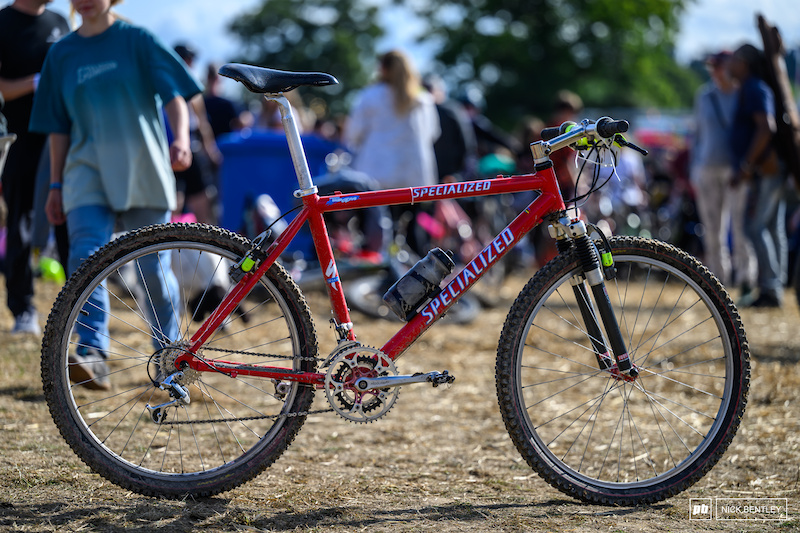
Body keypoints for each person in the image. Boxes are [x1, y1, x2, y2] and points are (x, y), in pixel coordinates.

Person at [29, 0, 202, 389]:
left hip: (142, 165)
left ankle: (170, 358)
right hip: (85, 169)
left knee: (151, 268)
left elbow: (176, 95)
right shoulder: (62, 53)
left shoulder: (137, 40)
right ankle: (93, 355)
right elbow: (57, 126)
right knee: (84, 259)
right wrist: (55, 185)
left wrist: (182, 140)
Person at [0, 0, 69, 335]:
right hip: (19, 141)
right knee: (21, 224)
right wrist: (35, 82)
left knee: (69, 224)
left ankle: (78, 310)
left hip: (62, 138)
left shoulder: (60, 21)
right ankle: (22, 308)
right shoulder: (3, 22)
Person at [344, 50, 440, 256]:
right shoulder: (423, 99)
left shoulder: (370, 96)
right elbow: (433, 134)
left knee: (376, 235)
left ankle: (379, 276)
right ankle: (419, 281)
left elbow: (352, 135)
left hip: (377, 176)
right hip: (415, 177)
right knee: (414, 234)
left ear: (382, 69)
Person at [690, 51, 755, 293]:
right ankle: (718, 280)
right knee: (712, 229)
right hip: (706, 168)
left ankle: (746, 277)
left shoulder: (741, 94)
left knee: (739, 226)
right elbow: (696, 135)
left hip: (736, 170)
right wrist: (693, 169)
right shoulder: (704, 96)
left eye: (718, 66)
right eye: (712, 67)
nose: (715, 71)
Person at [728, 43, 787, 308]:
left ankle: (771, 288)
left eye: (735, 58)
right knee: (772, 227)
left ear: (745, 63)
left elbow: (766, 128)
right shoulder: (752, 88)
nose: (730, 63)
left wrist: (747, 166)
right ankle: (774, 286)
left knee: (755, 227)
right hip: (769, 170)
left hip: (766, 170)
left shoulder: (754, 88)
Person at [173, 43, 220, 224]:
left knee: (193, 198)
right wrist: (210, 149)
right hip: (183, 145)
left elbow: (201, 123)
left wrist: (210, 149)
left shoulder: (171, 81)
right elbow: (202, 122)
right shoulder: (184, 82)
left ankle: (204, 244)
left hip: (183, 145)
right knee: (183, 200)